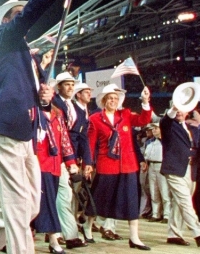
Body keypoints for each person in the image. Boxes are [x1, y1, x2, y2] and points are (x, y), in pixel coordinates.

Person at [0, 0, 85, 254]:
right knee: (18, 207)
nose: (22, 18)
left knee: (31, 204)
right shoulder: (3, 39)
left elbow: (30, 97)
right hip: (4, 129)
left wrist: (42, 97)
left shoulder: (22, 55)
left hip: (25, 133)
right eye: (16, 15)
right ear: (5, 22)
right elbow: (28, 15)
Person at [87, 83, 153, 250]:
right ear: (104, 100)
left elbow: (144, 119)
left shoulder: (125, 115)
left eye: (116, 98)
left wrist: (145, 101)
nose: (113, 101)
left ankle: (134, 237)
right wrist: (88, 163)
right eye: (110, 98)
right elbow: (90, 143)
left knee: (131, 201)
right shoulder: (95, 119)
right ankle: (87, 226)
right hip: (106, 165)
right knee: (99, 199)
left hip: (128, 166)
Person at [160, 103, 200, 247]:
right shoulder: (168, 125)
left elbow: (199, 144)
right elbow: (166, 119)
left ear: (187, 113)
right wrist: (174, 106)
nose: (178, 112)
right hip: (174, 168)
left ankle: (174, 234)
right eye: (175, 109)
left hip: (191, 169)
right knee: (185, 201)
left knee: (178, 203)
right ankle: (199, 233)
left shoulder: (193, 129)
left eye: (181, 109)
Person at [34, 82, 79, 254]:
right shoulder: (31, 112)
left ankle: (53, 241)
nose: (45, 94)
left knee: (50, 204)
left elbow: (64, 139)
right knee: (35, 205)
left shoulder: (58, 114)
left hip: (53, 166)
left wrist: (71, 163)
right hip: (36, 165)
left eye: (48, 91)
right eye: (42, 91)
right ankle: (32, 241)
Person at [49, 73, 89, 249]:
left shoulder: (78, 109)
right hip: (50, 154)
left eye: (72, 85)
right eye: (67, 84)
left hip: (67, 157)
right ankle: (53, 234)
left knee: (65, 195)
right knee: (49, 196)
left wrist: (85, 161)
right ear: (59, 87)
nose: (71, 88)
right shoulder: (52, 102)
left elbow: (82, 137)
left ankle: (69, 236)